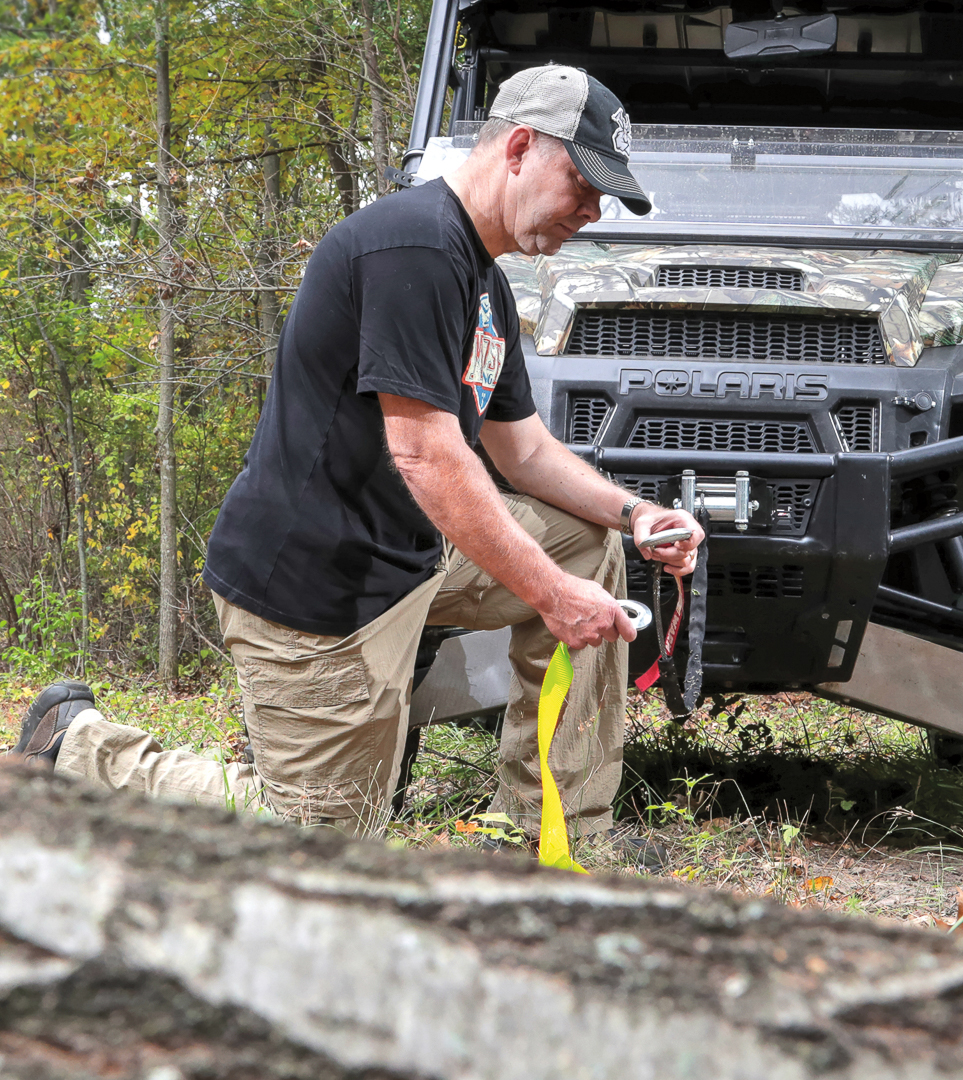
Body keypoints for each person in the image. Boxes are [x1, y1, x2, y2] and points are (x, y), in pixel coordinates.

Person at [7, 66, 703, 840]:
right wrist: (549, 594)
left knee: (588, 545)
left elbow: (525, 452)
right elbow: (428, 458)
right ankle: (81, 747)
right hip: (319, 594)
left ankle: (557, 830)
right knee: (322, 837)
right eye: (582, 181)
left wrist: (637, 513)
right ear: (518, 148)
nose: (592, 209)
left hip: (408, 558)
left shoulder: (485, 286)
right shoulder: (412, 248)